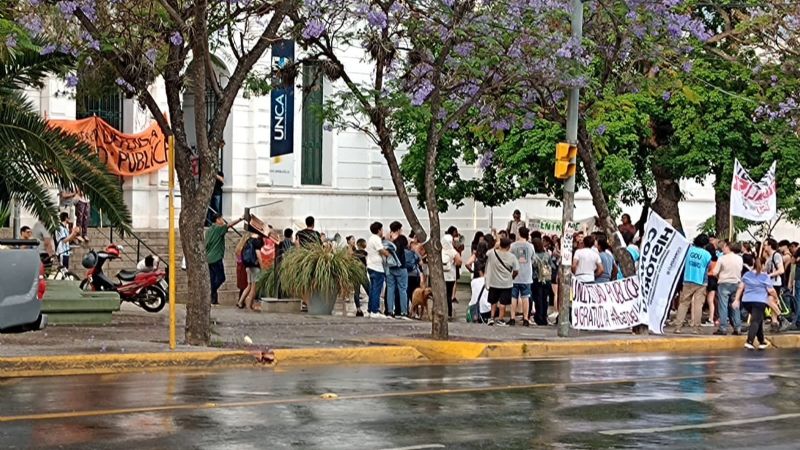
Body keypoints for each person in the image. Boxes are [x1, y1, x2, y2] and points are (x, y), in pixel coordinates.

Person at [733, 253, 777, 350]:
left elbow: (740, 288)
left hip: (746, 301)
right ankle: (749, 341)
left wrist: (736, 300)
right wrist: (776, 298)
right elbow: (771, 291)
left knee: (758, 319)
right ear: (763, 265)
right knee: (755, 321)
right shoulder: (765, 276)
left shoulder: (747, 274)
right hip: (759, 301)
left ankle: (761, 341)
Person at [674, 234, 712, 334]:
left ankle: (678, 327)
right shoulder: (707, 254)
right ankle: (696, 328)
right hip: (701, 281)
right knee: (698, 305)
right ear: (705, 244)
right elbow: (709, 266)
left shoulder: (688, 251)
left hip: (687, 279)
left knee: (683, 303)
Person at [206, 213, 244, 305]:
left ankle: (213, 299)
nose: (223, 220)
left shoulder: (209, 230)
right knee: (221, 278)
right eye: (221, 219)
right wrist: (240, 218)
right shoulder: (219, 229)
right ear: (217, 220)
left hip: (208, 258)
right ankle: (210, 291)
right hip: (216, 258)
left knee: (212, 279)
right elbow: (229, 225)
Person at [485, 237, 519, 326]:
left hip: (494, 282)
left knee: (493, 302)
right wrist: (512, 277)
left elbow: (487, 253)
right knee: (503, 302)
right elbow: (516, 270)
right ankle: (500, 319)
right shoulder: (512, 257)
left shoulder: (492, 254)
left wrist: (495, 246)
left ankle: (491, 318)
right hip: (506, 283)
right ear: (509, 246)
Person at [713, 240, 743, 335]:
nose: (723, 248)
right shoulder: (739, 259)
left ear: (728, 247)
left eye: (724, 246)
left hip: (724, 283)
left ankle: (723, 328)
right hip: (736, 283)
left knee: (723, 306)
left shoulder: (722, 258)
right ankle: (738, 327)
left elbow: (714, 272)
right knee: (735, 305)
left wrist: (719, 277)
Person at [509, 227, 534, 326]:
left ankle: (512, 318)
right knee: (525, 297)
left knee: (513, 297)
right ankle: (526, 319)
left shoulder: (513, 246)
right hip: (526, 276)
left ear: (519, 234)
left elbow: (509, 258)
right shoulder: (530, 246)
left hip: (514, 275)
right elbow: (533, 259)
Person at [386, 221, 411, 319]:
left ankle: (390, 311)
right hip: (401, 267)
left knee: (390, 289)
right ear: (398, 229)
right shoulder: (402, 239)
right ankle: (403, 312)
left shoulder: (388, 240)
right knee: (403, 290)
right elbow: (407, 245)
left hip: (390, 267)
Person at [237, 229, 264, 312]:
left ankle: (240, 302)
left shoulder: (247, 241)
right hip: (255, 266)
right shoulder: (256, 242)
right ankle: (249, 306)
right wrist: (262, 267)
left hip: (248, 266)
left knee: (249, 285)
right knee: (253, 288)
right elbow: (258, 255)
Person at [366, 222, 389, 318]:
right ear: (379, 230)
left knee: (372, 289)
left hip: (370, 266)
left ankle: (370, 309)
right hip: (377, 267)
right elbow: (381, 250)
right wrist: (389, 253)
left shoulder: (371, 239)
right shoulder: (376, 239)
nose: (382, 231)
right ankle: (375, 311)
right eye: (382, 229)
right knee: (377, 289)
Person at [531, 237, 552, 326]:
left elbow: (532, 266)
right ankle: (544, 316)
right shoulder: (547, 254)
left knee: (538, 298)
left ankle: (538, 317)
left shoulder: (534, 256)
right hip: (546, 279)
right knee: (545, 298)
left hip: (536, 278)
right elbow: (551, 265)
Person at [442, 234, 462, 320]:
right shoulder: (453, 251)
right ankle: (449, 313)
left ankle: (441, 311)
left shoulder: (440, 251)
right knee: (449, 295)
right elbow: (459, 261)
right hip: (450, 276)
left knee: (441, 294)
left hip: (441, 276)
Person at [351, 237, 369, 317]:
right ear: (364, 245)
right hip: (363, 274)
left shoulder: (354, 253)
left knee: (356, 292)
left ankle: (358, 309)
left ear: (358, 245)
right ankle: (372, 307)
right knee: (369, 291)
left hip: (356, 274)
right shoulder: (365, 253)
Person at [704, 243, 719, 327]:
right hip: (714, 280)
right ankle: (711, 318)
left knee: (707, 300)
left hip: (708, 278)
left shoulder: (708, 259)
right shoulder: (717, 259)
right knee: (711, 301)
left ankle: (710, 319)